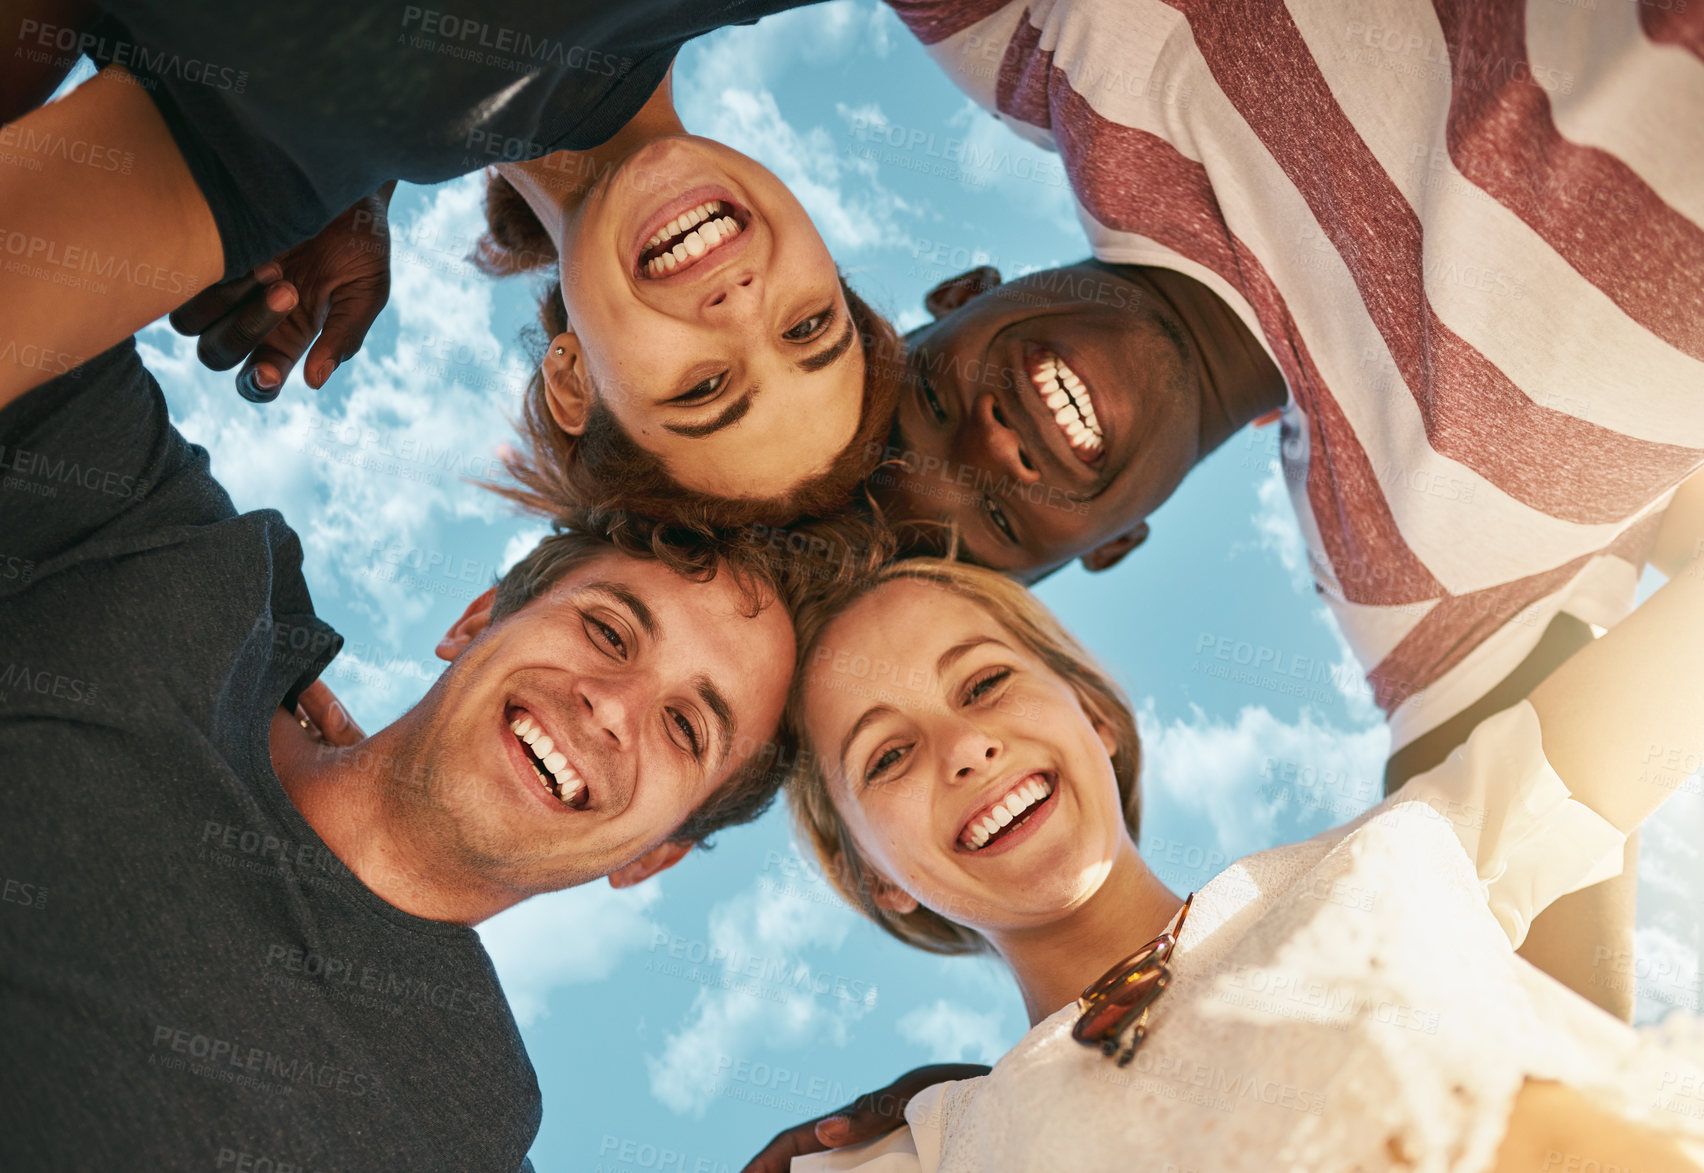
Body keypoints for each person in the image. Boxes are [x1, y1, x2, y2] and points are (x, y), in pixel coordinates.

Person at [867, 0, 1704, 1014]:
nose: (992, 442)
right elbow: (1530, 1022)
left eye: (930, 401)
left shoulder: (1053, 42)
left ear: (958, 292)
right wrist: (998, 1122)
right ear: (1113, 546)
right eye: (996, 524)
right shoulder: (1414, 587)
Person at [0, 328, 806, 1167]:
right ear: (476, 621)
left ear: (653, 855)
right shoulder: (168, 556)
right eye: (607, 629)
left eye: (685, 728)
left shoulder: (475, 1137)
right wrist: (291, 196)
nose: (612, 706)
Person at [755, 530, 1704, 1172]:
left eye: (986, 682)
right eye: (887, 754)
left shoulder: (1416, 844)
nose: (965, 748)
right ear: (877, 878)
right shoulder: (944, 1149)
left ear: (1094, 714)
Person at [0, 7, 904, 524]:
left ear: (574, 383)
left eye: (705, 387)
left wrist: (347, 152)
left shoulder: (282, 179)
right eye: (807, 327)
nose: (743, 305)